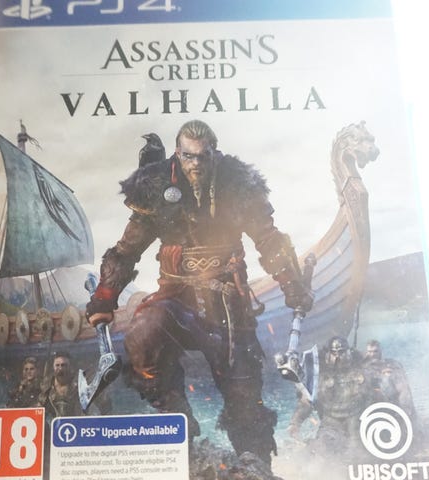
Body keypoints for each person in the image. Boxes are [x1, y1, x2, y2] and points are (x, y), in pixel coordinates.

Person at [86, 119, 312, 465]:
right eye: (188, 157)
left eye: (202, 157)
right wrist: (104, 297)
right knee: (142, 335)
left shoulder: (237, 183)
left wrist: (293, 286)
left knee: (244, 394)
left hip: (227, 302)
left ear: (213, 154)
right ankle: (178, 423)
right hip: (176, 296)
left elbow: (268, 239)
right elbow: (127, 249)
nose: (195, 165)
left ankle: (254, 461)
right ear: (178, 154)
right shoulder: (156, 185)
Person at [289, 336, 371, 455]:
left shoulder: (362, 371)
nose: (338, 356)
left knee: (358, 452)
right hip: (330, 422)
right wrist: (295, 423)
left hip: (356, 421)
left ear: (349, 353)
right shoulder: (320, 377)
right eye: (334, 353)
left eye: (341, 352)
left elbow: (375, 396)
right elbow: (307, 402)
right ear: (328, 355)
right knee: (321, 452)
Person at [363, 339, 416, 417]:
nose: (372, 354)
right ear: (366, 353)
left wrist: (391, 375)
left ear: (380, 351)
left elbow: (403, 382)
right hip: (374, 400)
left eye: (375, 351)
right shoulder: (364, 367)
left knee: (403, 387)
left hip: (393, 397)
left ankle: (407, 414)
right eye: (370, 352)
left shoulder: (392, 364)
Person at [38, 352, 83, 418]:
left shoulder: (80, 388)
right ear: (53, 367)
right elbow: (38, 412)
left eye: (63, 365)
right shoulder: (45, 390)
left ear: (70, 367)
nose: (60, 369)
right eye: (57, 365)